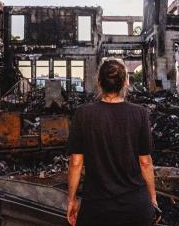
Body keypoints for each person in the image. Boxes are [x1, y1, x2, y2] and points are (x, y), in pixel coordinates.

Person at [66, 59, 157, 226]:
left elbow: (76, 163)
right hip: (135, 207)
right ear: (125, 83)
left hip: (96, 208)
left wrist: (71, 200)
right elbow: (145, 163)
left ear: (99, 82)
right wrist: (152, 199)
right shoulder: (140, 113)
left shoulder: (83, 114)